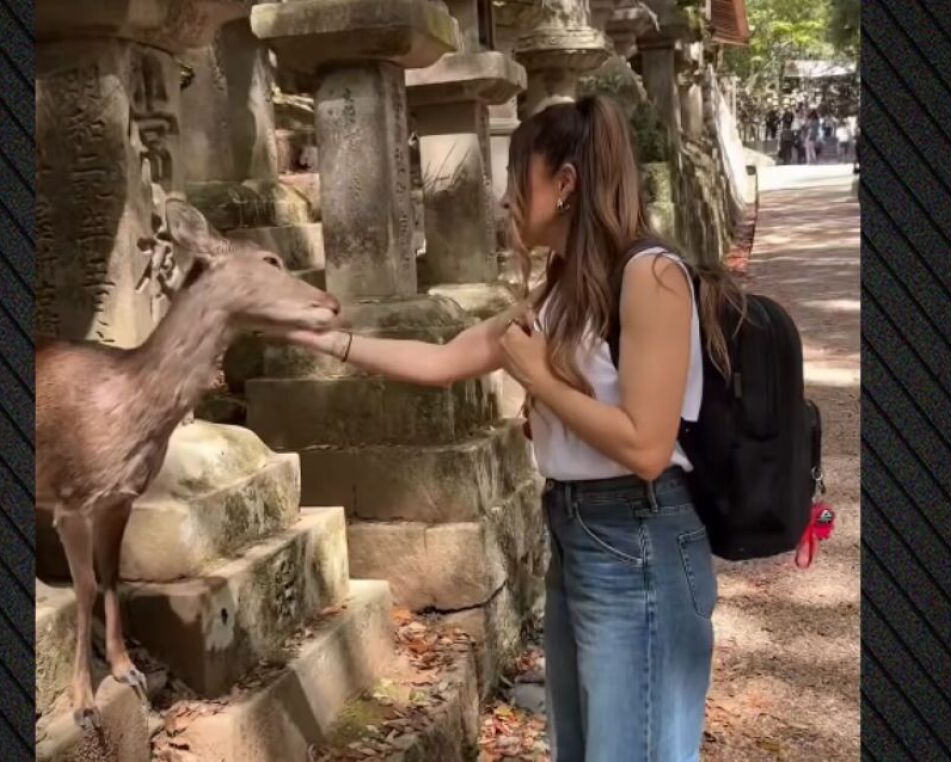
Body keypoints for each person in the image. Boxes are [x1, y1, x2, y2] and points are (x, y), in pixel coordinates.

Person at [269, 95, 741, 762]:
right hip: (579, 533)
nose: (504, 199)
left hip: (639, 536)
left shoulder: (651, 276)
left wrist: (541, 380)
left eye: (517, 178)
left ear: (565, 183)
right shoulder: (564, 291)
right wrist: (325, 340)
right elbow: (442, 361)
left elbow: (647, 447)